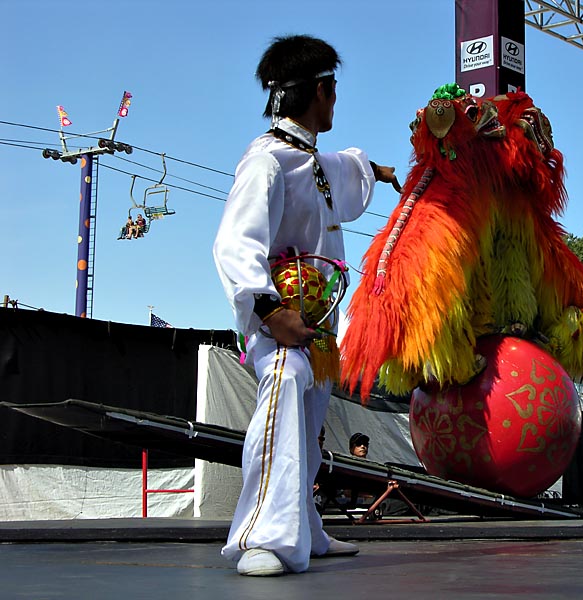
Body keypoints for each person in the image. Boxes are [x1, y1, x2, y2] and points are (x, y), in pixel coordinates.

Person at [213, 34, 401, 578]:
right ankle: (259, 536)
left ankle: (302, 526)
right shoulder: (266, 163)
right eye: (333, 91)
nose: (336, 101)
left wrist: (384, 173)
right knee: (282, 399)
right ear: (321, 91)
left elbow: (348, 169)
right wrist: (271, 311)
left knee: (311, 423)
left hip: (314, 325)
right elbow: (233, 243)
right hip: (281, 324)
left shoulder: (311, 161)